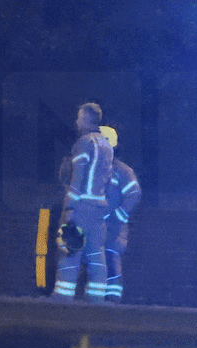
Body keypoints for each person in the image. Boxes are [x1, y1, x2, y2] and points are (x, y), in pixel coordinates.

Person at [53, 103, 113, 301]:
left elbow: (77, 179)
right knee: (97, 255)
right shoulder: (106, 145)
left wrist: (70, 208)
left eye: (79, 117)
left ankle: (62, 298)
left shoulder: (83, 143)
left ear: (87, 120)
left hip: (81, 207)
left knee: (70, 251)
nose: (76, 121)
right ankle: (96, 300)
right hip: (99, 208)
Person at [99, 125, 142, 303]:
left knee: (110, 256)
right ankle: (98, 298)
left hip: (114, 228)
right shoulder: (94, 168)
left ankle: (112, 301)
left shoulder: (122, 171)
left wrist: (119, 216)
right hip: (96, 225)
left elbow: (134, 193)